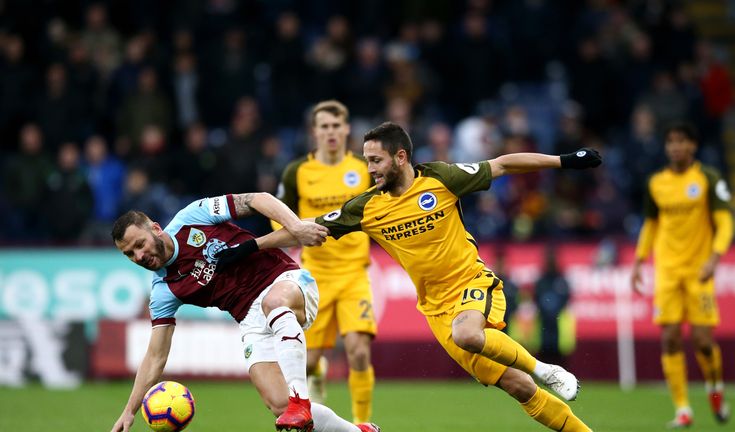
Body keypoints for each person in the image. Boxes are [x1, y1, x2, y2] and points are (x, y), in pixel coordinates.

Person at [232, 122, 600, 431]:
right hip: (435, 308)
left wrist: (564, 161)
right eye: (366, 161)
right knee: (517, 386)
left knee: (469, 334)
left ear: (400, 157)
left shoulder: (441, 178)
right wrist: (250, 246)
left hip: (473, 283)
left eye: (375, 160)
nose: (370, 168)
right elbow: (303, 226)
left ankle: (546, 369)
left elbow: (502, 164)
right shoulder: (366, 207)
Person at [109, 192, 380, 432]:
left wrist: (295, 226)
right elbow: (155, 356)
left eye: (140, 244)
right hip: (250, 319)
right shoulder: (163, 290)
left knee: (273, 303)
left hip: (284, 281)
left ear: (155, 229)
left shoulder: (192, 216)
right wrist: (129, 411)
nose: (139, 256)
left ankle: (301, 400)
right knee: (278, 404)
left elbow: (257, 199)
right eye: (129, 254)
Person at [275, 100, 376, 423]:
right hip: (315, 275)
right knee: (308, 362)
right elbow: (278, 217)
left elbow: (384, 206)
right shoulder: (298, 172)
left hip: (354, 273)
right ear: (315, 131)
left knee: (359, 351)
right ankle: (316, 374)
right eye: (325, 127)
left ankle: (363, 423)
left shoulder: (364, 168)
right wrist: (295, 232)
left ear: (346, 129)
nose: (331, 132)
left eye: (336, 126)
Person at [630, 122, 733, 428]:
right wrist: (638, 261)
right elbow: (650, 225)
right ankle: (683, 409)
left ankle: (715, 389)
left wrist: (715, 258)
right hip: (668, 272)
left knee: (702, 341)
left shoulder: (708, 179)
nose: (676, 146)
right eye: (671, 141)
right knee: (670, 339)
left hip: (699, 271)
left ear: (693, 146)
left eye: (682, 141)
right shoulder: (656, 183)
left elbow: (724, 222)